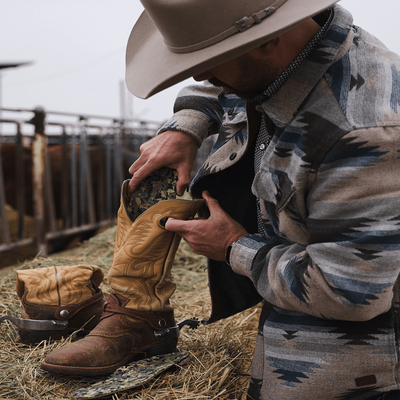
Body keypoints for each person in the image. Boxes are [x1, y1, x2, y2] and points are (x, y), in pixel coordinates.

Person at [43, 1, 400, 399]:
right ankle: (138, 310)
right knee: (149, 188)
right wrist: (185, 126)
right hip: (295, 303)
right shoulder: (294, 49)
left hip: (347, 358)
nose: (198, 72)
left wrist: (234, 247)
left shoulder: (365, 132)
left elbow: (348, 293)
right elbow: (216, 83)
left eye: (211, 58)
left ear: (266, 39)